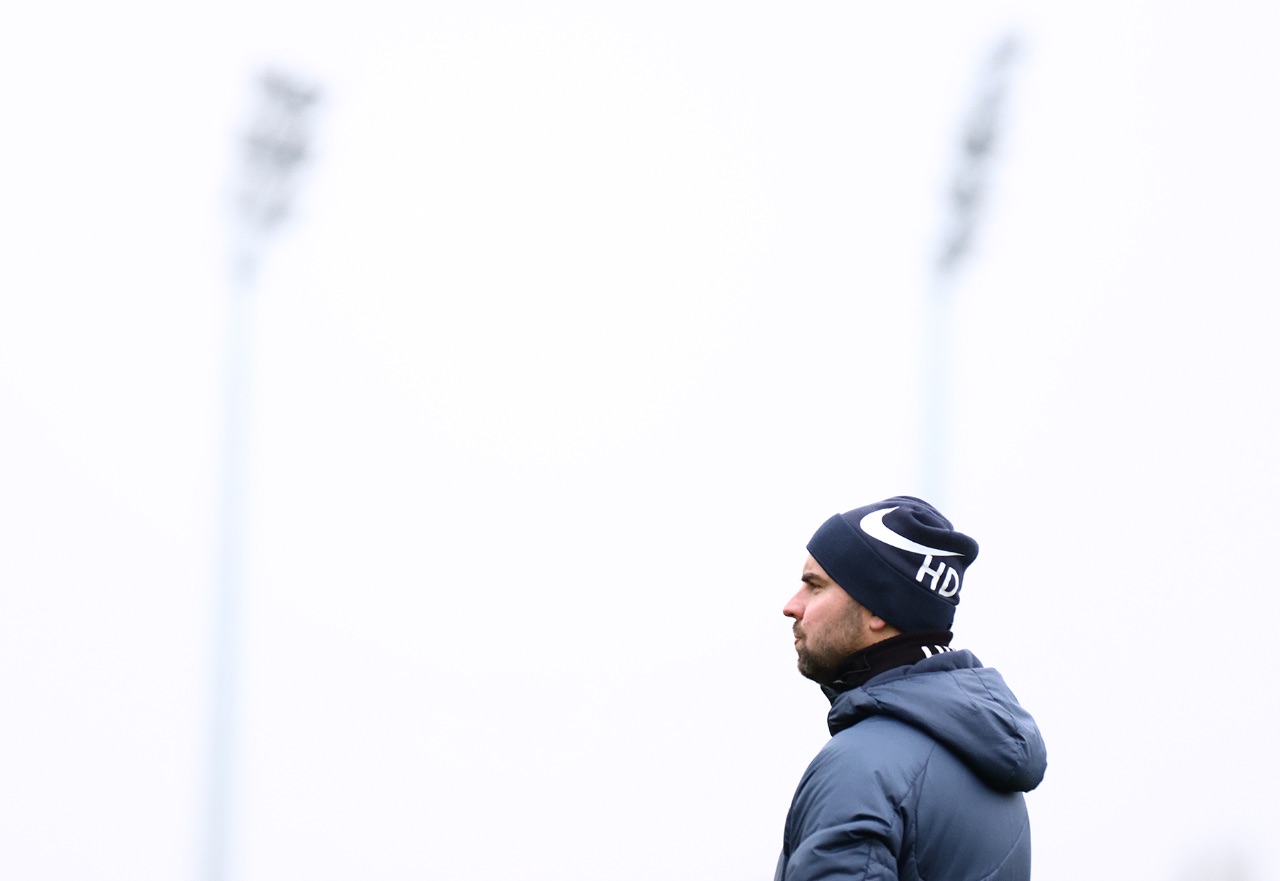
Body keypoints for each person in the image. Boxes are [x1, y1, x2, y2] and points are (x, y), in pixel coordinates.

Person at [776, 496, 1046, 881]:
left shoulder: (862, 768)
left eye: (815, 586)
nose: (791, 606)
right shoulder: (989, 764)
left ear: (877, 608)